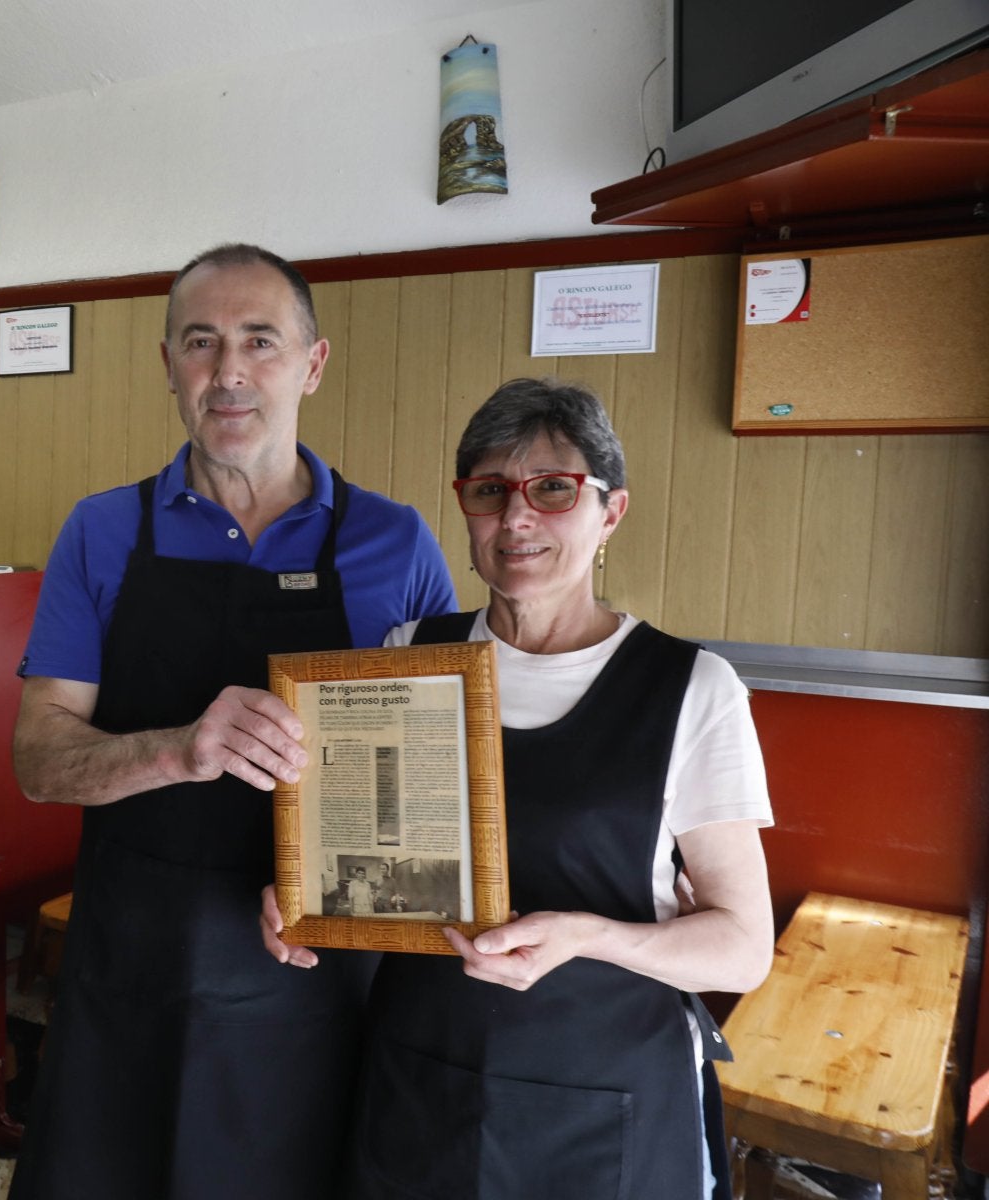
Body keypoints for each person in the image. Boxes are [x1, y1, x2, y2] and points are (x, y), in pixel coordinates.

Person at [8, 243, 457, 1200]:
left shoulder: (395, 542)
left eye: (261, 340)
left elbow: (429, 787)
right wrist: (180, 748)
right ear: (167, 362)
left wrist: (347, 909)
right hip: (133, 958)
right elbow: (40, 760)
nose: (230, 371)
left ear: (313, 363)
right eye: (201, 342)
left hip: (312, 970)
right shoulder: (102, 530)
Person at [263, 378, 775, 1200]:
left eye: (553, 490)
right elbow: (368, 858)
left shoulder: (689, 687)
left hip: (603, 1096)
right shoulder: (410, 654)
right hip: (421, 1076)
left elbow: (744, 947)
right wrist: (297, 894)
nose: (517, 518)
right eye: (490, 491)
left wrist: (584, 935)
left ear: (610, 512)